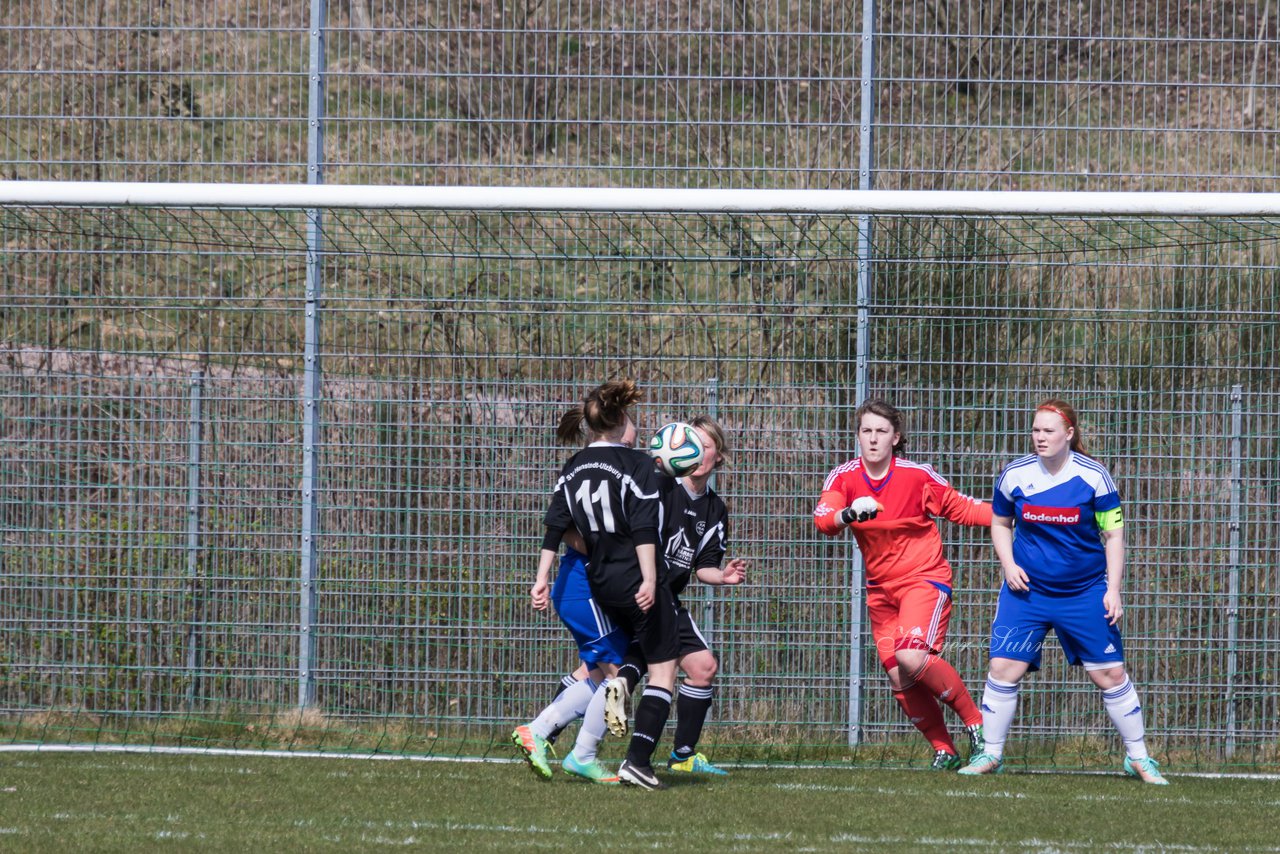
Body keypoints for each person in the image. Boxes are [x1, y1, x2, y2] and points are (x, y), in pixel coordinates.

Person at [959, 399, 1168, 784]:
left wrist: (1114, 589)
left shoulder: (1094, 477)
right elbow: (1000, 522)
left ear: (1068, 434)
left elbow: (1114, 534)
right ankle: (990, 753)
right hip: (1027, 593)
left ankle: (1138, 758)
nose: (1040, 437)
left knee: (1110, 673)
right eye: (1036, 430)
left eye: (1048, 431)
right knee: (1003, 668)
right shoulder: (1014, 475)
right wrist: (1009, 565)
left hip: (1084, 592)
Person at [814, 398, 990, 770]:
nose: (873, 439)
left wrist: (1015, 514)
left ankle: (978, 726)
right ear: (858, 436)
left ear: (896, 437)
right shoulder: (843, 478)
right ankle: (945, 749)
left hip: (923, 580)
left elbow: (963, 509)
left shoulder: (916, 476)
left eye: (881, 431)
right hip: (881, 590)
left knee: (912, 656)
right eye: (866, 431)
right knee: (898, 673)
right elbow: (825, 519)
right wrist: (849, 513)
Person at [536, 379, 682, 790]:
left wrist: (541, 577)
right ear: (620, 422)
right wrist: (651, 578)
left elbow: (555, 526)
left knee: (634, 648)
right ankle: (637, 760)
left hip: (600, 581)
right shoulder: (636, 465)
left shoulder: (574, 466)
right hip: (635, 578)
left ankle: (620, 684)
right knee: (665, 667)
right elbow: (642, 528)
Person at [594, 416, 750, 776]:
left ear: (718, 457)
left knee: (702, 667)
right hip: (643, 589)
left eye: (704, 446)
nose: (694, 453)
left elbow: (704, 566)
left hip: (667, 596)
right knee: (602, 668)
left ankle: (680, 754)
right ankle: (562, 736)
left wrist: (724, 577)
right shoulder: (661, 487)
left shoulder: (715, 509)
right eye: (688, 444)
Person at [510, 421, 638, 786]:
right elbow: (557, 526)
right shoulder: (584, 476)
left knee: (597, 675)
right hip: (584, 590)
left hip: (588, 591)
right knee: (618, 673)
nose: (629, 453)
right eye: (625, 444)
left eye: (634, 446)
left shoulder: (623, 479)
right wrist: (541, 579)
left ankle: (537, 730)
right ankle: (582, 755)